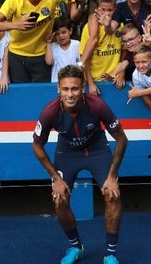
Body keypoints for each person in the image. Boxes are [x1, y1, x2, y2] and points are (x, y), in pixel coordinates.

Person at [32, 64, 128, 264]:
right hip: (68, 153)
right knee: (59, 199)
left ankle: (110, 254)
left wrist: (112, 177)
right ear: (58, 89)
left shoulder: (97, 105)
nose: (70, 94)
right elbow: (37, 146)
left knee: (112, 195)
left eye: (75, 88)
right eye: (65, 89)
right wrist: (56, 178)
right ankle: (76, 247)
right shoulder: (50, 111)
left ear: (83, 87)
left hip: (97, 150)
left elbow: (121, 139)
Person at [0, 0, 135, 83]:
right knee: (21, 98)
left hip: (41, 56)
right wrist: (16, 25)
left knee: (42, 97)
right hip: (17, 55)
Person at [45, 16, 79, 82]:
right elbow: (49, 62)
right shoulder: (53, 46)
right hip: (57, 83)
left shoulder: (77, 45)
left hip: (74, 82)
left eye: (64, 32)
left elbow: (82, 62)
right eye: (57, 34)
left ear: (70, 31)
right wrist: (48, 43)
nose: (61, 36)